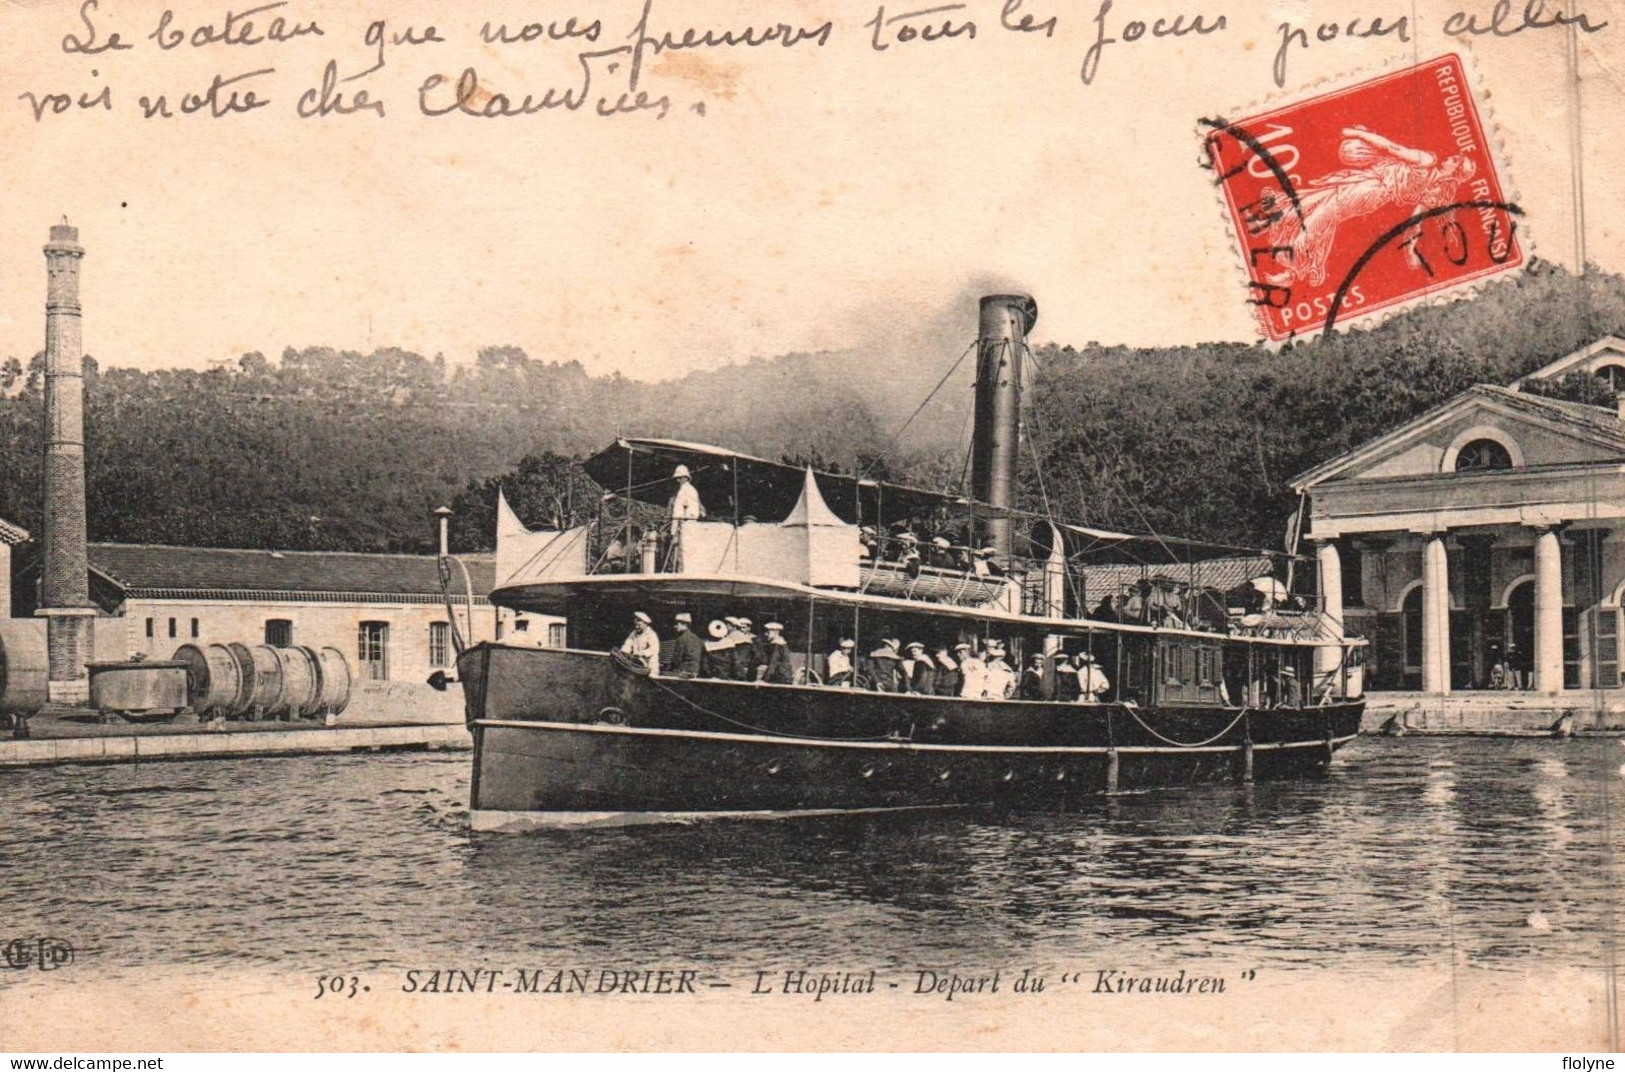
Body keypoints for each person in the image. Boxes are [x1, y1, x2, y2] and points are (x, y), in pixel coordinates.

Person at [666, 612, 705, 678]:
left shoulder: (681, 639)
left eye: (677, 624)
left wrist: (669, 668)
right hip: (695, 671)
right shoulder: (697, 638)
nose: (675, 626)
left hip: (683, 672)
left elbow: (677, 659)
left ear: (684, 624)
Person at [731, 617, 758, 682]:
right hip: (736, 665)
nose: (741, 630)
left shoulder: (754, 639)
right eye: (739, 628)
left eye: (743, 627)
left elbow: (757, 654)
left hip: (748, 667)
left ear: (749, 628)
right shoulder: (736, 637)